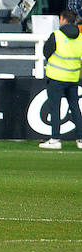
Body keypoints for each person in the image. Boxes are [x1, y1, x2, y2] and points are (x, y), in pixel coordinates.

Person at [39, 10, 82, 150]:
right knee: (75, 108)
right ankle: (80, 139)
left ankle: (55, 139)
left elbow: (46, 52)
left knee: (55, 108)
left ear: (63, 19)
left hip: (56, 77)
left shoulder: (56, 35)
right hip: (73, 77)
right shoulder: (80, 38)